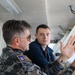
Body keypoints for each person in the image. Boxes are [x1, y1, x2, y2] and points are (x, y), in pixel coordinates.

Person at [0, 20, 75, 75]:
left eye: (48, 34)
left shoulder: (8, 54)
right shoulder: (20, 63)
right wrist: (72, 66)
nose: (31, 40)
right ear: (17, 41)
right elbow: (47, 72)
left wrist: (64, 57)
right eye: (28, 37)